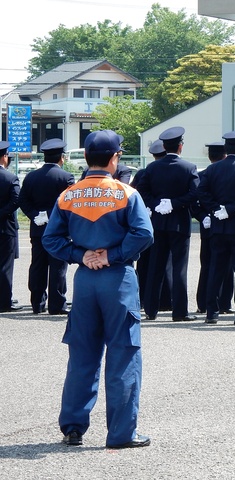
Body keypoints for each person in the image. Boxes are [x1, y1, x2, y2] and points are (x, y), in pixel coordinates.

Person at [42, 129, 153, 448]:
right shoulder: (126, 193)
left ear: (87, 158)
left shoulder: (68, 195)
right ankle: (121, 434)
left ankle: (73, 427)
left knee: (82, 356)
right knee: (123, 354)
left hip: (85, 280)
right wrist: (112, 254)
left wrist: (80, 255)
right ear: (115, 158)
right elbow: (143, 235)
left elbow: (51, 239)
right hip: (117, 278)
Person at [136, 126, 199, 322]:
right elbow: (195, 193)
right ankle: (179, 312)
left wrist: (157, 204)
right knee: (179, 268)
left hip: (158, 223)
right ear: (180, 146)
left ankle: (151, 310)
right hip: (179, 223)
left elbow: (142, 192)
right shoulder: (189, 168)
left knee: (155, 266)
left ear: (164, 146)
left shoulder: (152, 168)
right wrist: (175, 203)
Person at [196, 130, 235, 325]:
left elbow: (201, 192)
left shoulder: (212, 170)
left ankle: (211, 312)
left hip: (218, 225)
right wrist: (232, 209)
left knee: (216, 268)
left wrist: (216, 208)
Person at [18, 138, 75, 315]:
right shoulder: (66, 177)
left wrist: (36, 215)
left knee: (37, 265)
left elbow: (22, 200)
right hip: (59, 230)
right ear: (62, 157)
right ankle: (57, 305)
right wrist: (52, 216)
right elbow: (70, 203)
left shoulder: (31, 176)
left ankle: (37, 303)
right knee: (58, 267)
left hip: (37, 228)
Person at [131, 140, 172, 312]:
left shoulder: (144, 172)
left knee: (145, 262)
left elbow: (135, 192)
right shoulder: (173, 169)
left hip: (147, 220)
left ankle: (143, 298)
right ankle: (165, 300)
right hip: (169, 219)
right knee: (166, 262)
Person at [193, 141, 234, 316]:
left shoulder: (203, 175)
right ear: (225, 155)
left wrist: (203, 216)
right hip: (227, 222)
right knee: (227, 266)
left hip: (208, 224)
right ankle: (224, 302)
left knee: (208, 265)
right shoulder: (230, 173)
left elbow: (194, 203)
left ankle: (204, 303)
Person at [0, 144, 21, 313]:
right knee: (5, 265)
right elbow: (16, 201)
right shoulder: (10, 178)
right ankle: (5, 300)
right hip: (5, 227)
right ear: (5, 157)